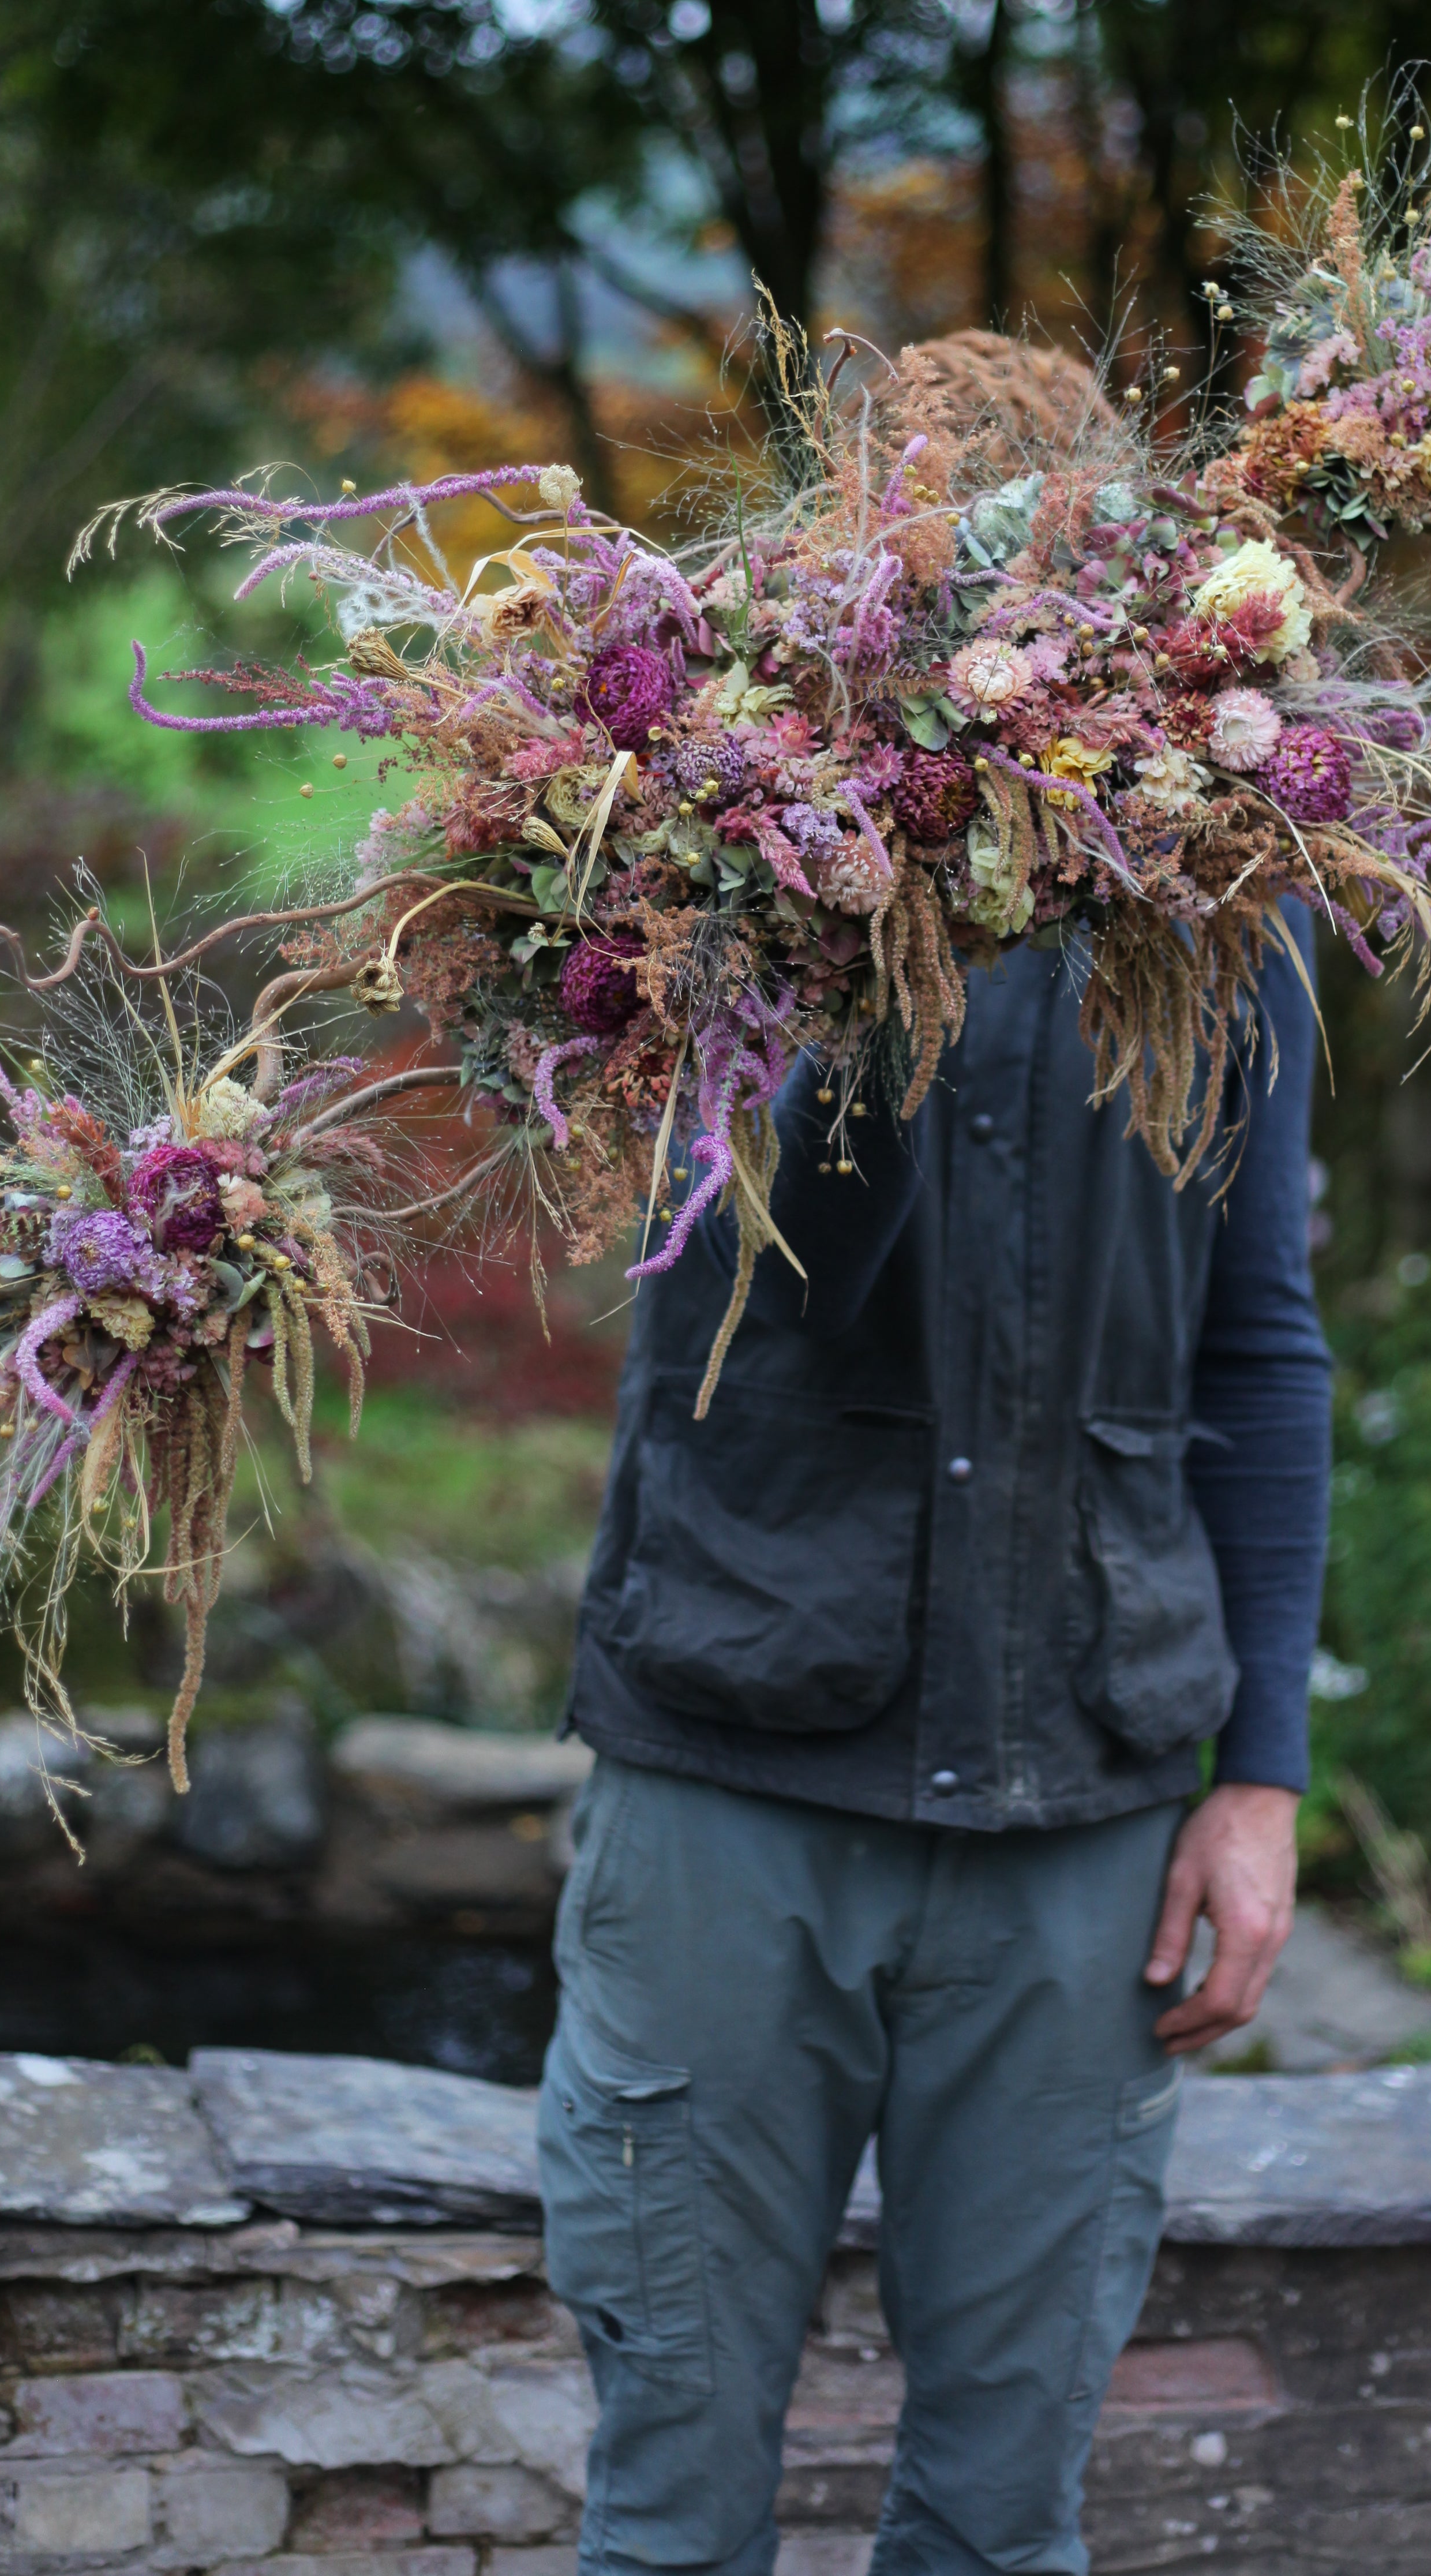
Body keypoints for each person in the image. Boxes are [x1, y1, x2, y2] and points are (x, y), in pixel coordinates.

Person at [539, 926, 1332, 2576]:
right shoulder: (699, 815)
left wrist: (1260, 1778)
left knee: (999, 2527)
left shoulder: (1236, 875)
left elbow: (1257, 1341)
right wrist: (878, 922)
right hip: (728, 1769)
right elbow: (772, 1252)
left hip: (1081, 1804)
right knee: (669, 2519)